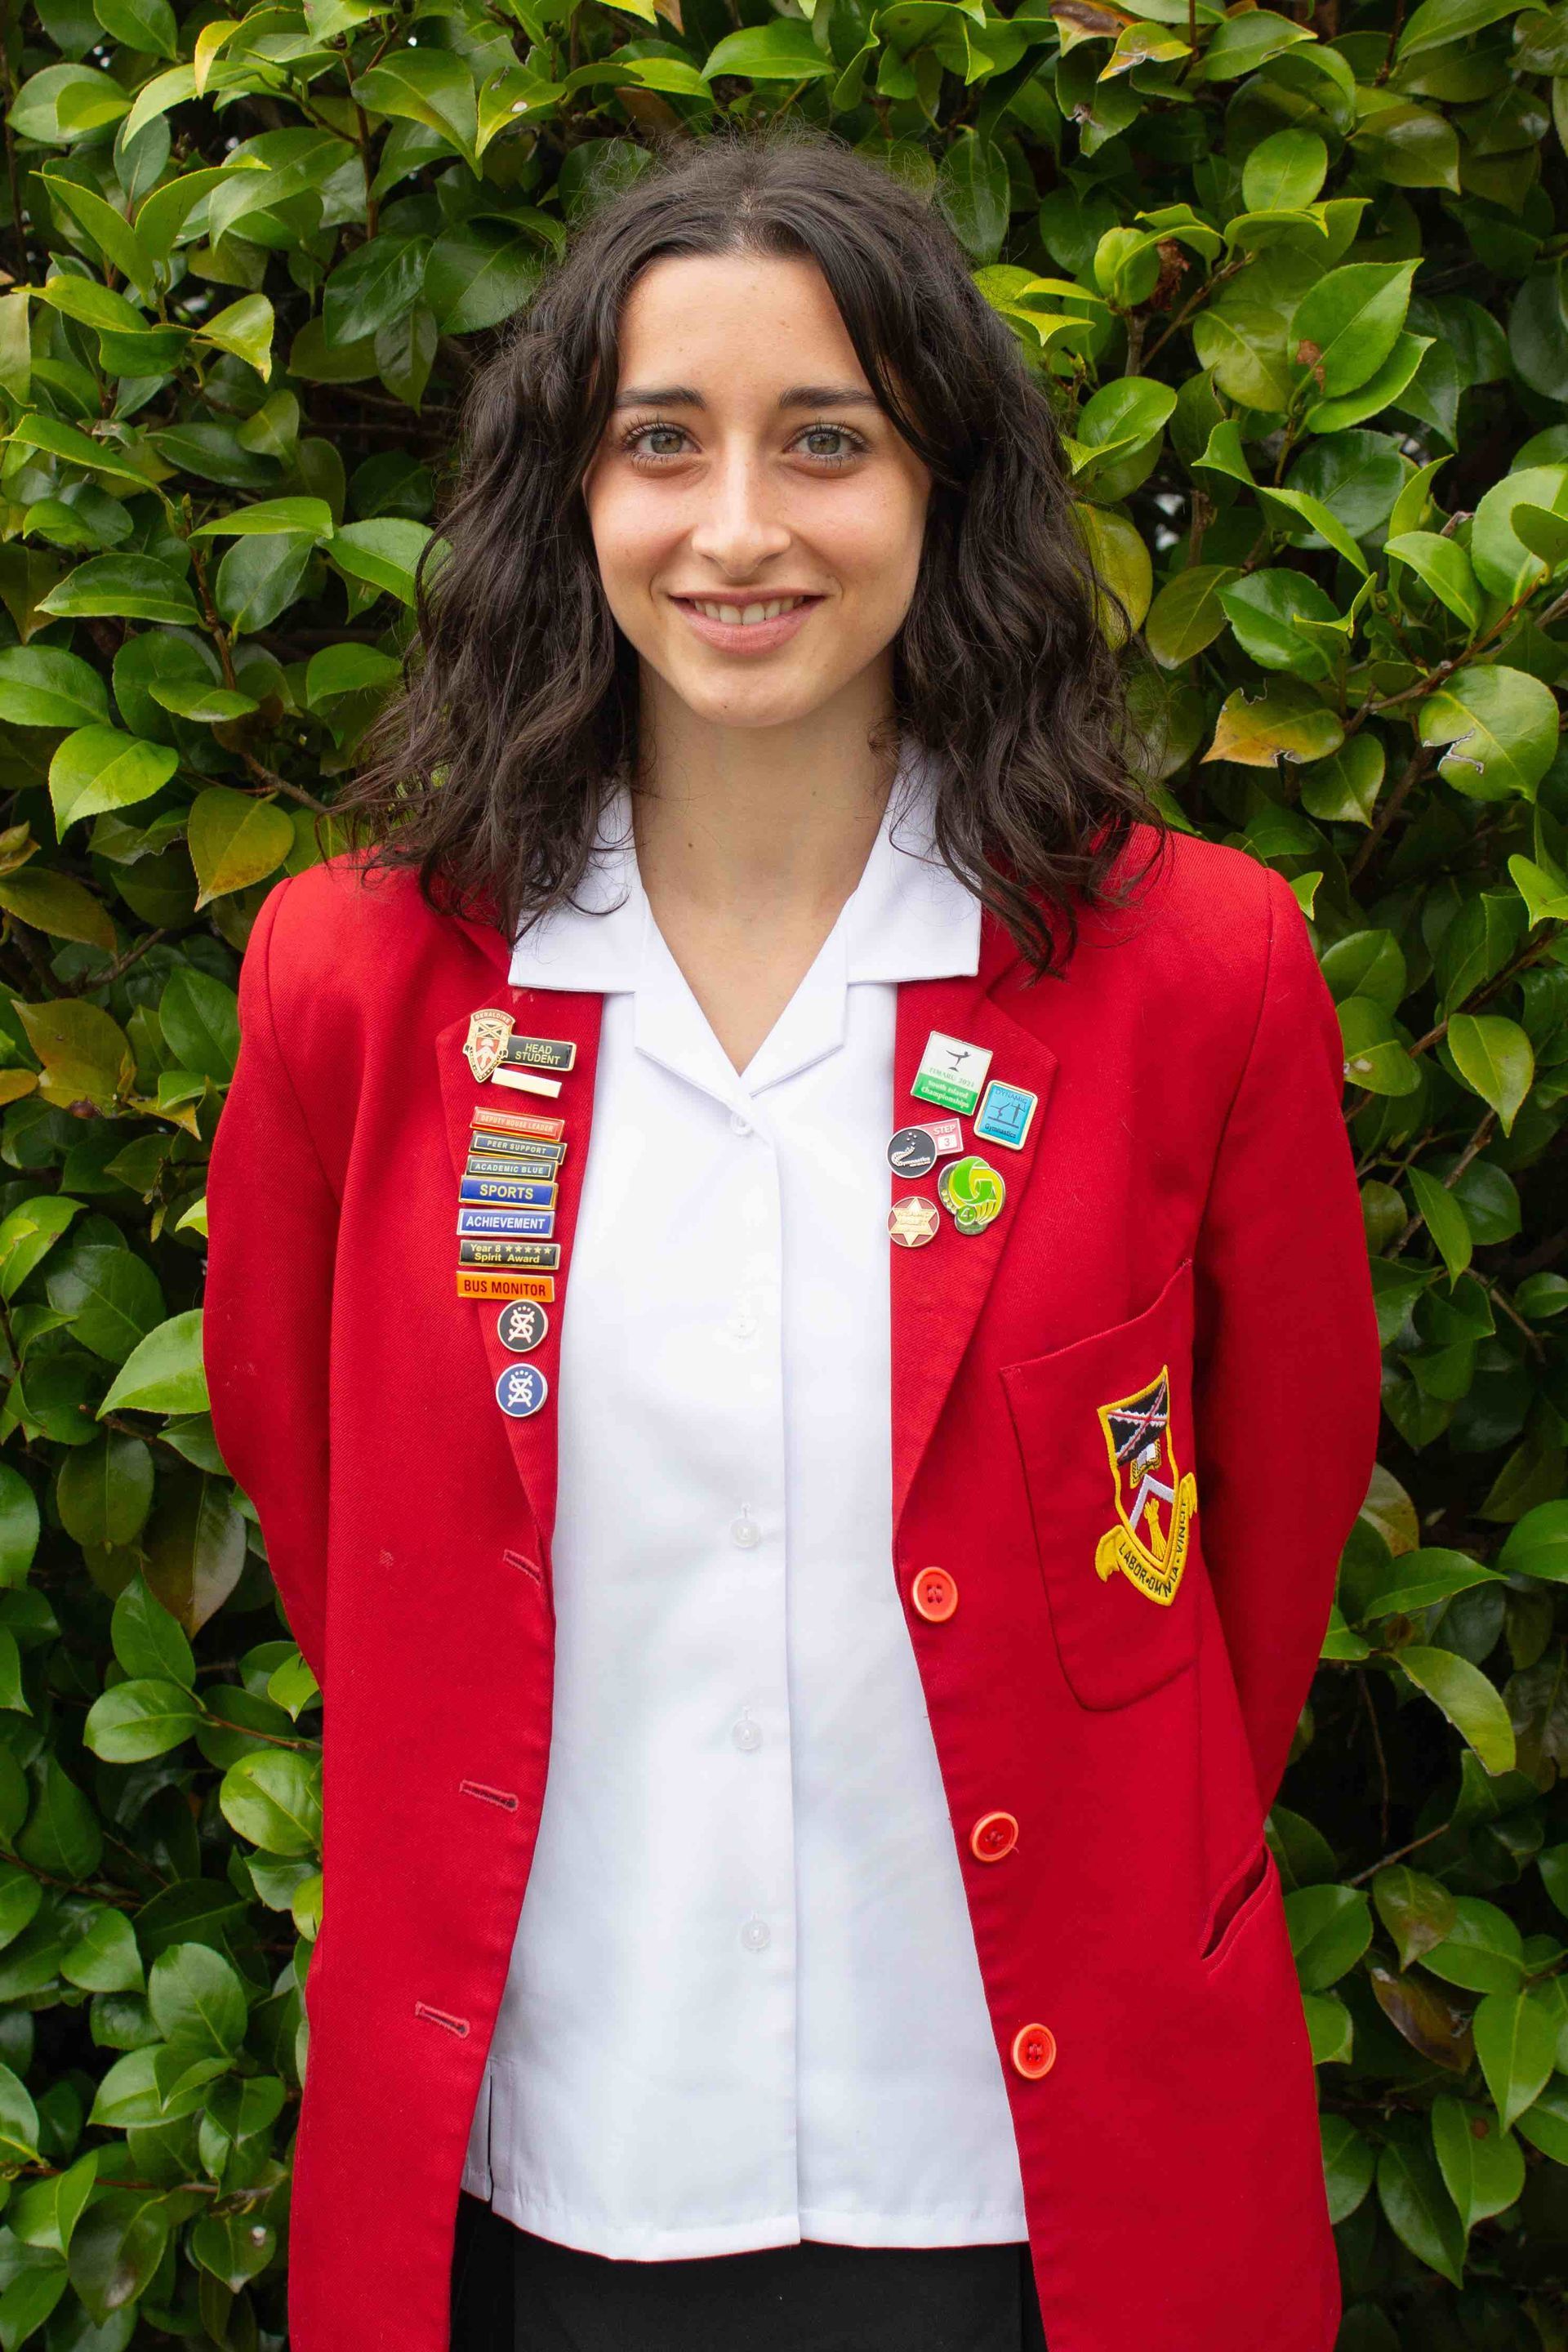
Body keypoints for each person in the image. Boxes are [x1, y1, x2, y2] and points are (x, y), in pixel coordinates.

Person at [203, 123, 1383, 2352]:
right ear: (575, 497)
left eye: (822, 442)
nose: (737, 527)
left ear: (943, 487)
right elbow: (320, 1473)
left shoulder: (1193, 969)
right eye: (664, 444)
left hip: (1034, 2175)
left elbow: (1262, 1532)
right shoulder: (358, 986)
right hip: (552, 2160)